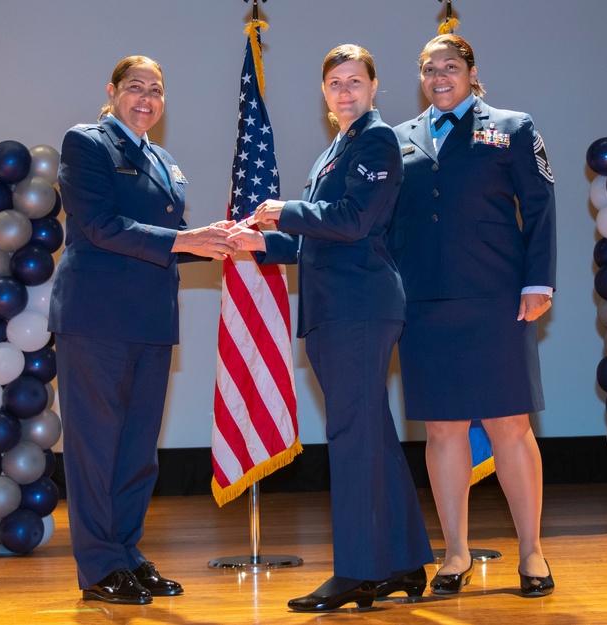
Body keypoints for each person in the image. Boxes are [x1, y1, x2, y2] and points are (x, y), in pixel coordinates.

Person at [229, 44, 433, 612]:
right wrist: (262, 241)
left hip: (359, 307)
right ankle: (405, 561)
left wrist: (284, 208)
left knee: (351, 437)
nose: (344, 92)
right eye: (335, 84)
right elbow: (320, 236)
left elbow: (355, 220)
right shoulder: (333, 152)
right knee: (370, 433)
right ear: (324, 95)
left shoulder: (376, 139)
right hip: (339, 307)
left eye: (354, 81)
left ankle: (359, 572)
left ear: (373, 87)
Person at [49, 55, 236, 605]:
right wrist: (187, 239)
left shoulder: (162, 159)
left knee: (136, 452)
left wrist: (223, 240)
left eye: (157, 90)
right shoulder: (86, 143)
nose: (147, 99)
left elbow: (174, 239)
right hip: (97, 320)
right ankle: (99, 566)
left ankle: (127, 553)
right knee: (95, 448)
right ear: (112, 92)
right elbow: (104, 226)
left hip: (152, 321)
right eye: (136, 88)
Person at [389, 34, 557, 597]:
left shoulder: (512, 126)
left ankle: (531, 551)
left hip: (496, 298)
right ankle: (455, 551)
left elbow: (539, 206)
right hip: (424, 302)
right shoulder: (397, 139)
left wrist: (538, 282)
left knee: (511, 426)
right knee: (442, 429)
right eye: (429, 69)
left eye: (450, 67)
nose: (440, 77)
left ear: (471, 71)